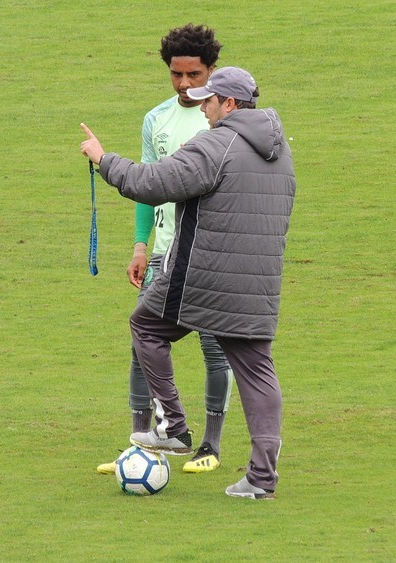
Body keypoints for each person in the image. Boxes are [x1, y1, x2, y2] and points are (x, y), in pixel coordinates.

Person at [80, 66, 296, 499]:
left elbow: (153, 183)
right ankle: (261, 480)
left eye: (209, 101)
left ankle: (173, 427)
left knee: (146, 327)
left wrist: (104, 160)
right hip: (257, 283)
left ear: (230, 104)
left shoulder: (217, 143)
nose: (203, 108)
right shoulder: (278, 150)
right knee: (257, 372)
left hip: (202, 277)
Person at [95, 24, 234, 476]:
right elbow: (146, 188)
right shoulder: (155, 120)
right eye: (177, 75)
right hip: (164, 252)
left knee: (215, 347)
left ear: (211, 71)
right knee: (142, 343)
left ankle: (209, 445)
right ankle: (142, 443)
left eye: (194, 75)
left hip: (210, 256)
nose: (185, 84)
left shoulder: (222, 119)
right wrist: (141, 246)